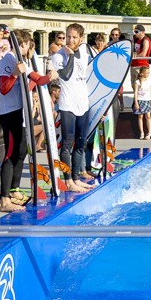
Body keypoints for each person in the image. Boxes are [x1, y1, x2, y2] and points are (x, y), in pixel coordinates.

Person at [0, 29, 55, 212]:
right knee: (10, 154)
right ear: (23, 45)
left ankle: (14, 190)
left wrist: (50, 75)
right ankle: (3, 199)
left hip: (21, 113)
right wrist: (14, 74)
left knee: (21, 152)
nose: (31, 49)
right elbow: (3, 89)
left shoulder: (20, 62)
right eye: (30, 46)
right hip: (9, 112)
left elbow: (38, 80)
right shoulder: (7, 61)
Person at [50, 23, 96, 192]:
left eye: (74, 37)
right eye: (68, 36)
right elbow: (66, 76)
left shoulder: (84, 52)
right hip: (67, 103)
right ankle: (68, 180)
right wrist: (69, 56)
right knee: (67, 144)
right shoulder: (58, 56)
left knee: (81, 142)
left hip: (83, 102)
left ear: (81, 39)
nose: (69, 40)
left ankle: (76, 178)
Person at [133, 65, 151, 139]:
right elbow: (135, 92)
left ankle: (149, 133)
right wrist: (136, 103)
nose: (147, 74)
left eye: (148, 73)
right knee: (140, 116)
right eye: (146, 73)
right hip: (140, 100)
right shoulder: (137, 82)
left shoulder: (149, 81)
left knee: (148, 116)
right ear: (141, 73)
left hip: (147, 100)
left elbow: (150, 91)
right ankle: (142, 132)